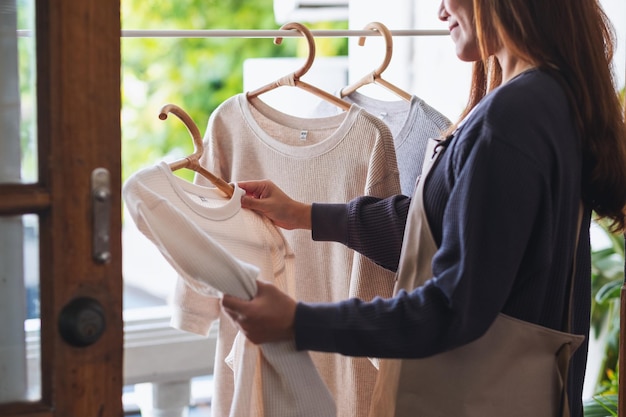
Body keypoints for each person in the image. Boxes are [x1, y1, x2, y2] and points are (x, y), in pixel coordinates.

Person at [222, 0, 626, 416]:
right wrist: (305, 214)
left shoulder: (509, 121)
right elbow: (439, 228)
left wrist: (298, 322)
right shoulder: (548, 100)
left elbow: (450, 309)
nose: (439, 12)